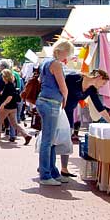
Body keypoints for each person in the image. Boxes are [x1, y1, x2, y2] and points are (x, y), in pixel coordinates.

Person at [60, 70, 110, 177]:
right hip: (58, 110)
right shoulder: (74, 78)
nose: (103, 86)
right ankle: (45, 165)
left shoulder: (91, 90)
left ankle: (64, 168)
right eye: (103, 83)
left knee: (66, 139)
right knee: (53, 138)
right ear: (98, 77)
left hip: (69, 112)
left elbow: (100, 108)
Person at [36, 39, 74, 186]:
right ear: (63, 51)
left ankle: (52, 172)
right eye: (68, 53)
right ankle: (46, 175)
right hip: (51, 103)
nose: (68, 56)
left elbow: (41, 80)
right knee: (48, 141)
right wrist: (65, 97)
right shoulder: (56, 64)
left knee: (49, 140)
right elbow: (62, 85)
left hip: (44, 100)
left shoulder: (45, 62)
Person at [0, 69, 31, 145]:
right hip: (13, 107)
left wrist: (3, 104)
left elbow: (10, 97)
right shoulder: (11, 84)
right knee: (14, 124)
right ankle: (26, 135)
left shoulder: (8, 85)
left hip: (6, 107)